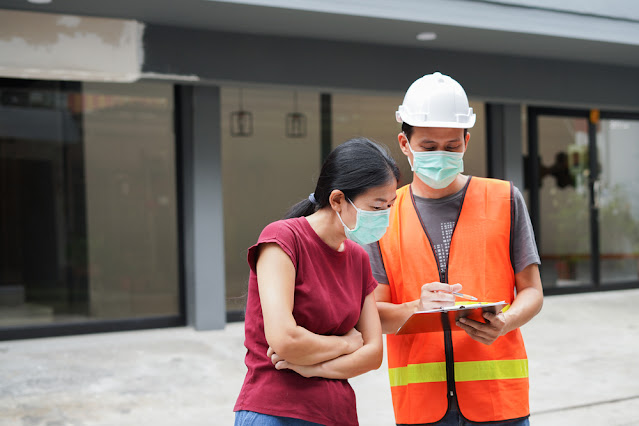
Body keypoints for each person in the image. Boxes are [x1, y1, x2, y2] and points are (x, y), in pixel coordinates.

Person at [363, 72, 544, 425]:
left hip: (498, 400)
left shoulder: (504, 199)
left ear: (466, 140)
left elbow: (532, 291)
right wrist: (417, 306)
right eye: (428, 147)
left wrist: (506, 322)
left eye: (452, 146)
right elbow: (373, 314)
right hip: (421, 405)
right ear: (405, 143)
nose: (440, 156)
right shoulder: (383, 214)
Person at [234, 137, 400, 425]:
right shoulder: (283, 240)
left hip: (337, 414)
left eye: (389, 206)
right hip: (276, 412)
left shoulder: (358, 258)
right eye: (376, 207)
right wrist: (347, 343)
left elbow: (373, 354)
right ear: (337, 200)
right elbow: (285, 340)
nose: (384, 216)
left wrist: (312, 368)